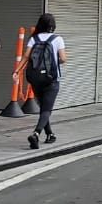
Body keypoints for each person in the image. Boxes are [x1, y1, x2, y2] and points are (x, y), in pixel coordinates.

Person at [18, 13, 65, 149]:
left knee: (44, 108)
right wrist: (53, 62)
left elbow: (26, 57)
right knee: (47, 109)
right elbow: (63, 58)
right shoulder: (57, 39)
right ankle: (36, 133)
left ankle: (50, 134)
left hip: (36, 79)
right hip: (52, 79)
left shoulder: (34, 39)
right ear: (52, 26)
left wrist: (17, 72)